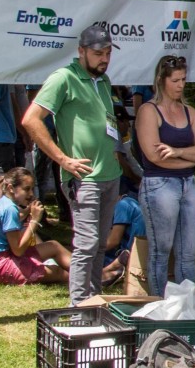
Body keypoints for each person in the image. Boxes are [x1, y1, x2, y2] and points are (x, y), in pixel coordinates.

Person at [23, 23, 122, 304]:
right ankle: (78, 306)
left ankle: (94, 302)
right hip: (84, 178)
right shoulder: (63, 78)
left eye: (107, 52)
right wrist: (62, 159)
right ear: (81, 51)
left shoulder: (103, 81)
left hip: (110, 176)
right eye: (98, 52)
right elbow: (31, 119)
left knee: (100, 245)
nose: (104, 58)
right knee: (86, 245)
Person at [133, 54, 195, 295]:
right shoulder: (149, 110)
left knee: (188, 253)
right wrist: (189, 158)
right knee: (161, 251)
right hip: (159, 184)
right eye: (175, 80)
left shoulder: (189, 111)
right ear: (161, 81)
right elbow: (155, 157)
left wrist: (177, 152)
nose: (180, 85)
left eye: (183, 79)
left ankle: (188, 305)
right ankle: (159, 303)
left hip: (188, 183)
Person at [0, 167, 70, 284]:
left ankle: (86, 273)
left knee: (53, 246)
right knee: (57, 272)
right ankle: (87, 280)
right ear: (10, 188)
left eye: (32, 189)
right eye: (27, 189)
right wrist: (34, 221)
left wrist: (27, 213)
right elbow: (18, 250)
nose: (31, 194)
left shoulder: (3, 201)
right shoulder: (9, 208)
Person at [102, 186, 146, 285]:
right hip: (138, 250)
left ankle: (112, 271)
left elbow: (113, 241)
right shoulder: (132, 203)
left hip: (132, 253)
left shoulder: (123, 205)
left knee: (88, 262)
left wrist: (90, 251)